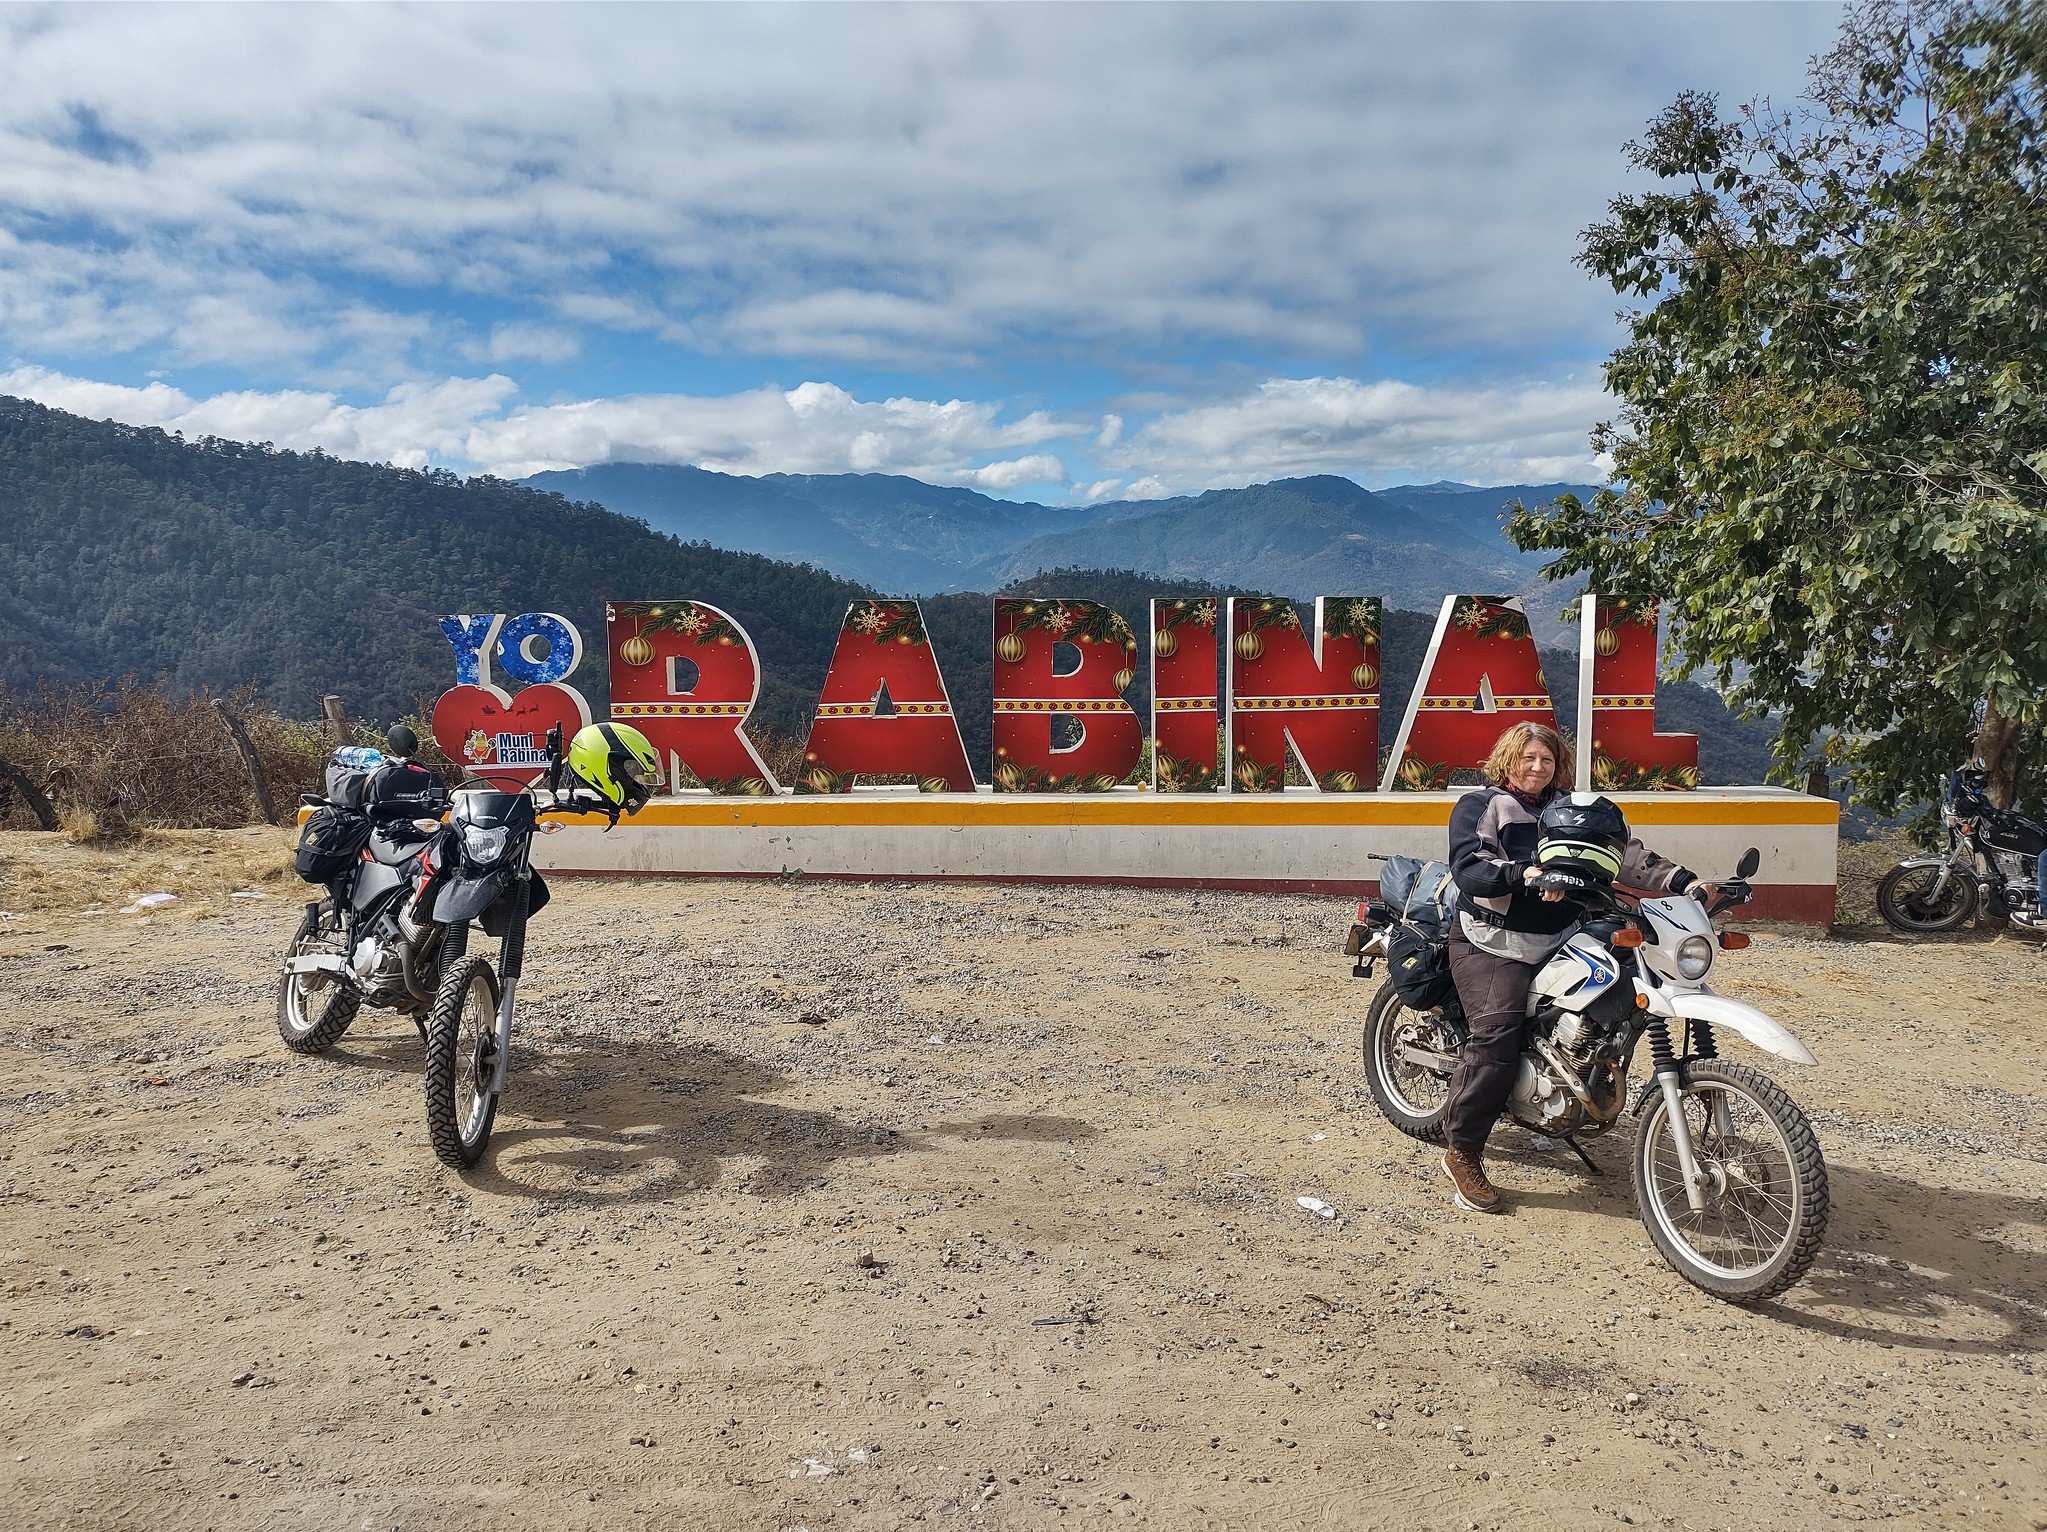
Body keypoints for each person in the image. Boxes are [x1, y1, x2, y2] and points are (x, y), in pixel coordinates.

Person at [1437, 721, 1712, 1215]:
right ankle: (1464, 1150)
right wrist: (1524, 873)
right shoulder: (1483, 806)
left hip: (1562, 932)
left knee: (1624, 983)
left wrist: (1687, 882)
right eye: (1527, 758)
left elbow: (1627, 856)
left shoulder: (1571, 808)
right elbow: (1470, 866)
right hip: (1495, 941)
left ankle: (1578, 1074)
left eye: (1545, 758)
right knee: (1496, 1036)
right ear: (1508, 760)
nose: (1537, 767)